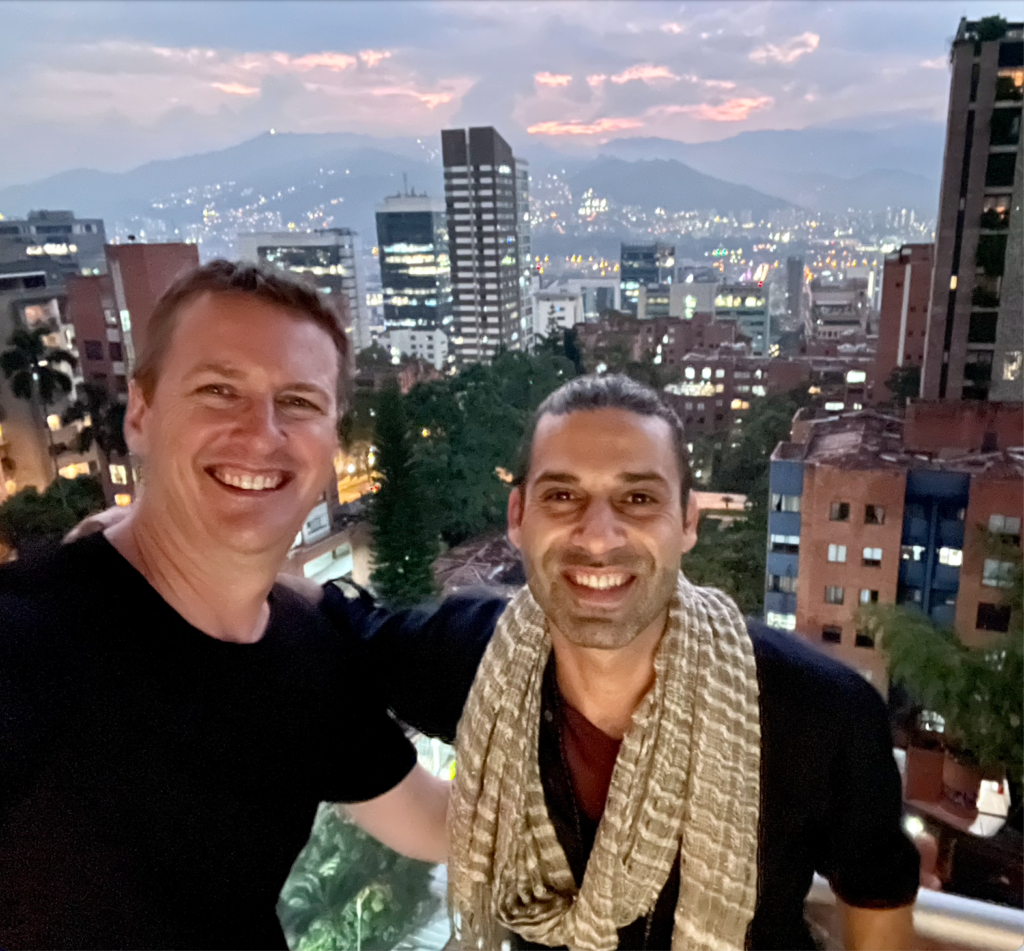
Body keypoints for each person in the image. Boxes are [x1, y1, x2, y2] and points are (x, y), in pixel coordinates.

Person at [332, 375, 920, 951]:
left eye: (638, 498)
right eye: (562, 495)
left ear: (687, 522)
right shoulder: (472, 658)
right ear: (518, 517)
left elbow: (876, 904)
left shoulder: (822, 713)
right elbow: (330, 642)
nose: (597, 537)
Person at [0, 261, 452, 949]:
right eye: (218, 390)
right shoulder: (30, 641)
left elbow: (435, 822)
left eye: (298, 402)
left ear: (331, 442)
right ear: (141, 414)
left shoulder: (307, 647)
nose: (260, 431)